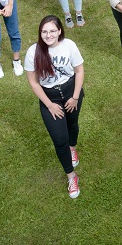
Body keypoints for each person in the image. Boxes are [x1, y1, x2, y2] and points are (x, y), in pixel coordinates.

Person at [24, 15, 84, 199]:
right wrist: (49, 105)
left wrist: (74, 97)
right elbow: (34, 83)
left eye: (52, 31)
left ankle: (72, 148)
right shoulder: (33, 52)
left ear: (59, 31)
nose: (48, 35)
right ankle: (71, 176)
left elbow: (79, 71)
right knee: (59, 140)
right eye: (44, 31)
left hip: (71, 92)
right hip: (49, 98)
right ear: (40, 33)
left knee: (72, 124)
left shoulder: (69, 45)